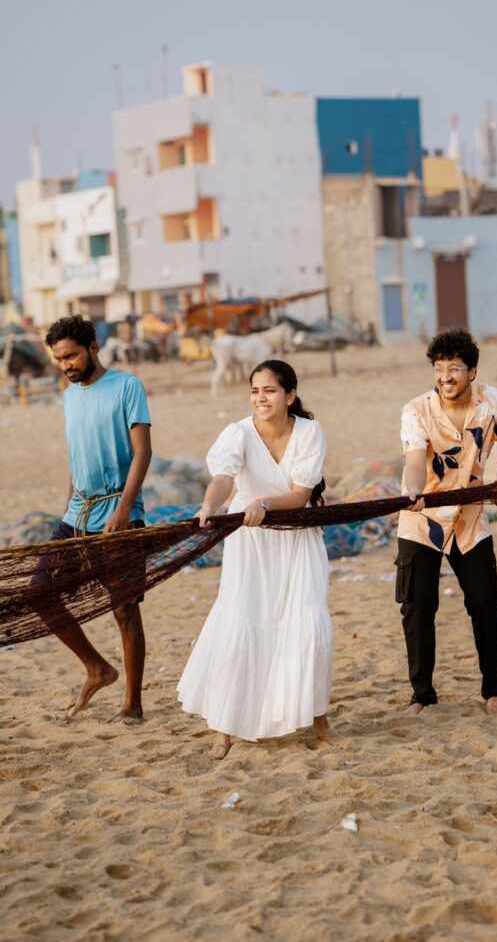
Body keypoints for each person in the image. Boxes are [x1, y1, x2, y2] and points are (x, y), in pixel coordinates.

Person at [177, 359, 337, 759]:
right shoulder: (238, 433)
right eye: (254, 391)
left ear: (290, 395)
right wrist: (209, 506)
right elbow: (224, 479)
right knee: (241, 625)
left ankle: (319, 720)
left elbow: (300, 494)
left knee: (310, 627)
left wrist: (263, 502)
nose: (260, 398)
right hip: (250, 544)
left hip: (296, 540)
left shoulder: (310, 432)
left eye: (269, 390)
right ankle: (225, 727)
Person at [395, 328, 497, 716]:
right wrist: (414, 489)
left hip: (470, 518)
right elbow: (414, 460)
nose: (445, 377)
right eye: (439, 369)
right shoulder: (415, 410)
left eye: (454, 368)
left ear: (471, 371)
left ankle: (495, 691)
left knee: (486, 604)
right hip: (422, 519)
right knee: (417, 606)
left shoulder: (491, 400)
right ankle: (422, 695)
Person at [43, 315, 152, 721]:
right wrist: (68, 506)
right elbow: (78, 455)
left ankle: (132, 703)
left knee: (124, 609)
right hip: (77, 514)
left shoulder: (127, 386)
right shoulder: (69, 396)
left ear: (92, 348)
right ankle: (97, 668)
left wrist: (124, 510)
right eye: (58, 359)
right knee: (40, 591)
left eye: (71, 355)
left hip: (120, 511)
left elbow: (143, 451)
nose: (65, 365)